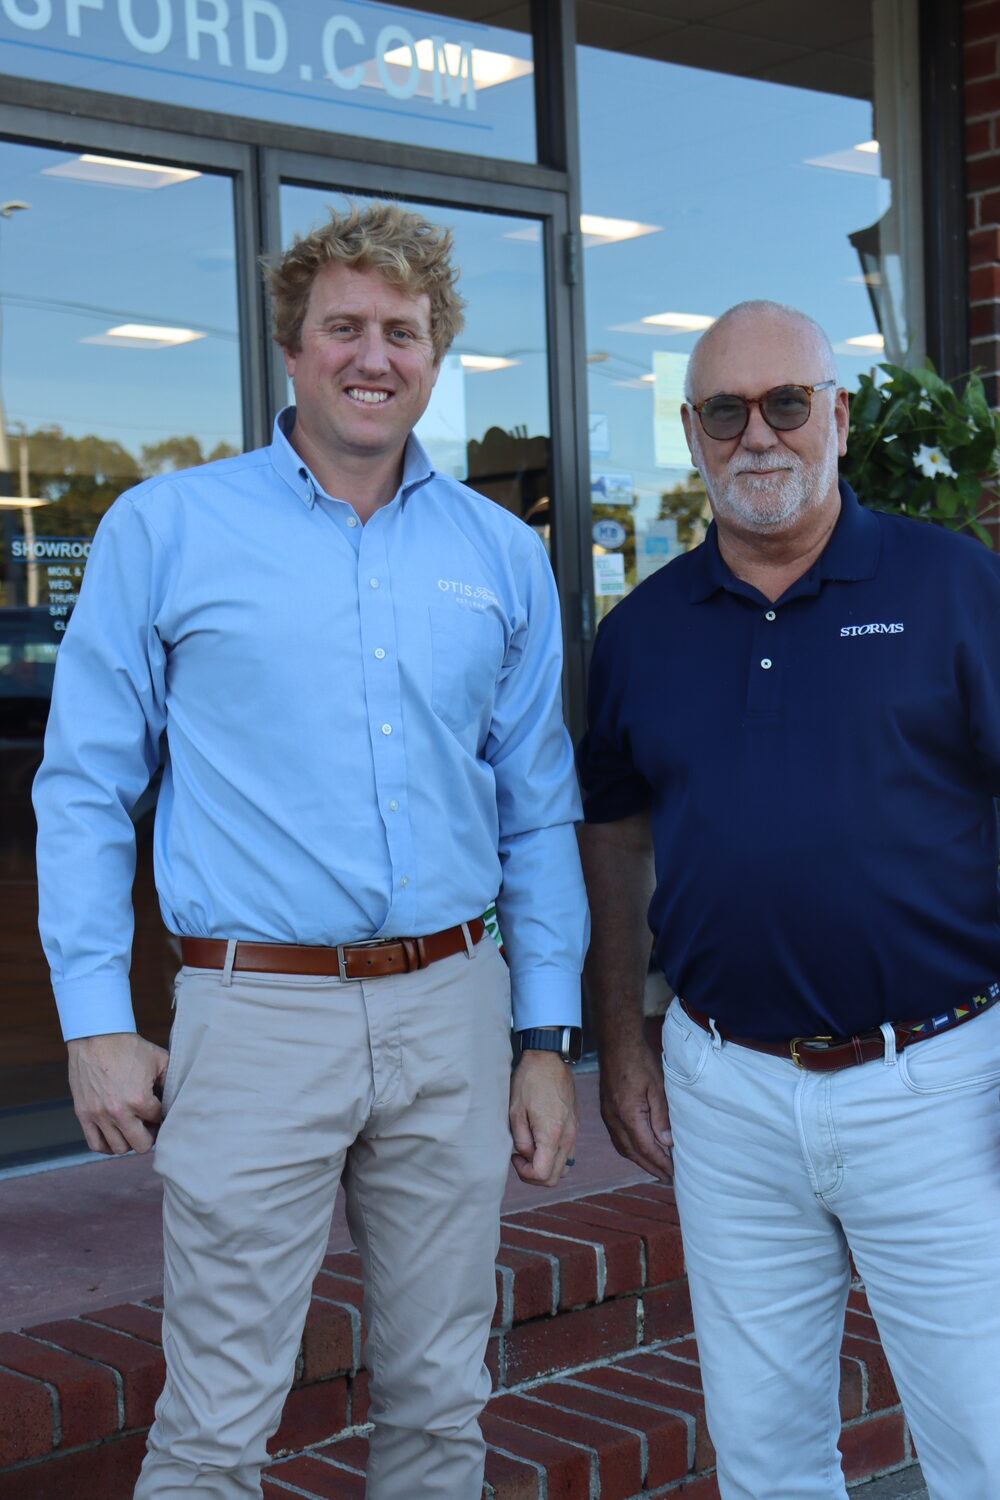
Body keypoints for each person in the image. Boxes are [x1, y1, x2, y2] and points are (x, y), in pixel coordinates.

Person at [33, 200, 588, 1500]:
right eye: (344, 326)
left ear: (437, 353)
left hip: (455, 1010)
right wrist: (94, 1016)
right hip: (257, 1012)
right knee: (221, 1422)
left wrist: (545, 1042)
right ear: (294, 346)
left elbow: (538, 811)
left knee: (444, 1402)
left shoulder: (500, 557)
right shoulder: (168, 529)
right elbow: (85, 789)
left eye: (402, 331)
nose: (373, 355)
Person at [577, 299, 1000, 1500]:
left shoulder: (954, 586)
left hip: (938, 1083)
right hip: (727, 1090)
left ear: (840, 416)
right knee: (763, 1455)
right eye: (725, 410)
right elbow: (611, 835)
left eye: (786, 403)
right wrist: (621, 1037)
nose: (758, 435)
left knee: (982, 1441)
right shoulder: (644, 630)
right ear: (691, 433)